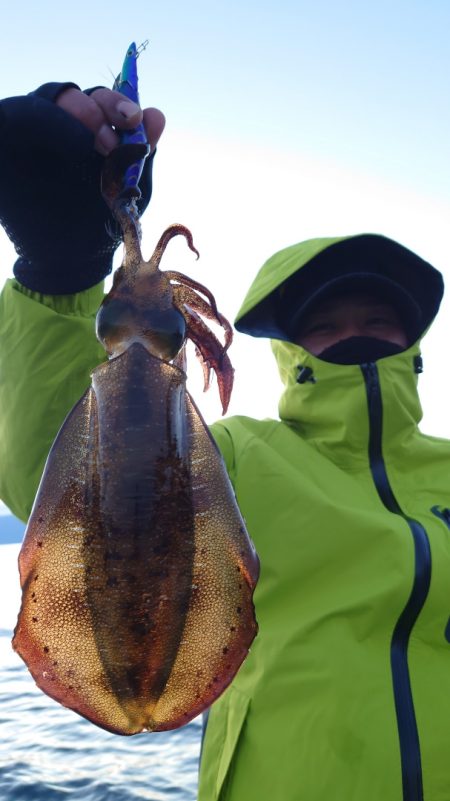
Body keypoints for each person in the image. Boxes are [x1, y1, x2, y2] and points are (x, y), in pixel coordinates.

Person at [1, 84, 450, 801]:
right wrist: (59, 278)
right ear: (291, 348)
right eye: (326, 324)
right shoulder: (240, 455)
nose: (353, 335)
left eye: (376, 318)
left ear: (412, 339)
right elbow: (47, 481)